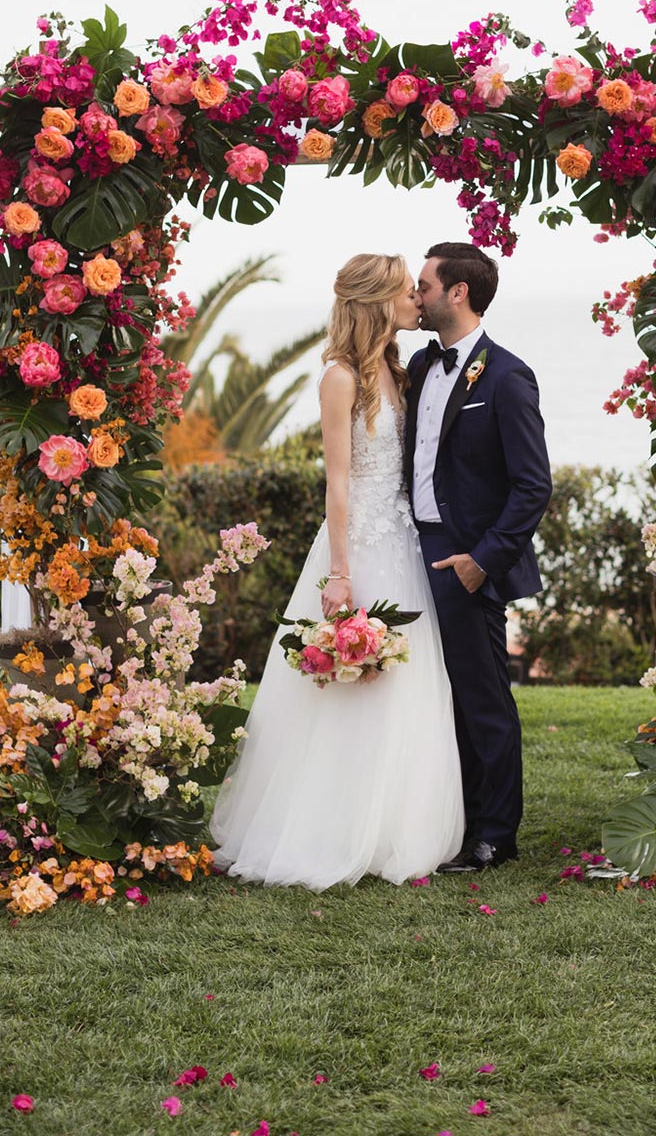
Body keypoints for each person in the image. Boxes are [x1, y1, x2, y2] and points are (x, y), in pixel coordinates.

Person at [212, 254, 465, 889]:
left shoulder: (397, 368)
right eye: (408, 290)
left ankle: (392, 828)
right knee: (351, 686)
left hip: (403, 539)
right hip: (358, 546)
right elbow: (339, 480)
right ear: (379, 302)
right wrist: (341, 572)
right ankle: (329, 827)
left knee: (404, 684)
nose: (417, 298)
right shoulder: (341, 376)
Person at [408, 241, 552, 873]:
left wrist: (481, 560)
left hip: (464, 559)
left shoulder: (506, 376)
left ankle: (495, 832)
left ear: (456, 292)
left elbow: (532, 485)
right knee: (429, 696)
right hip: (407, 548)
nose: (417, 297)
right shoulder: (418, 365)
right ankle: (447, 818)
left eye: (424, 286)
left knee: (482, 696)